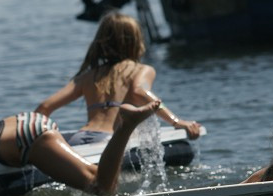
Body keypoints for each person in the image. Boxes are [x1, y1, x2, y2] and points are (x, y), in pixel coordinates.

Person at [0, 101, 163, 196]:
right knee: (103, 180)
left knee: (100, 187)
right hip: (31, 126)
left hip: (26, 140)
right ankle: (125, 124)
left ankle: (126, 125)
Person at [34, 12, 201, 146]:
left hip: (80, 138)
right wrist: (176, 121)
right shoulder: (141, 70)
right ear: (137, 42)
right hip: (108, 139)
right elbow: (140, 92)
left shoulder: (88, 76)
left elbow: (45, 107)